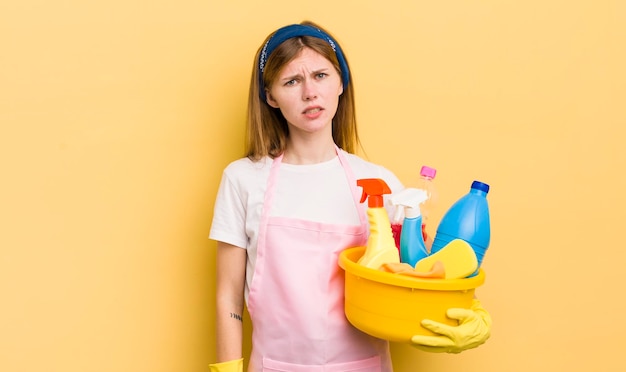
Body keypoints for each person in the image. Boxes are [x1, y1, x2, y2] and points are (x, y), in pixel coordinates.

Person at [209, 21, 491, 372]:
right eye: (291, 81)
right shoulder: (243, 180)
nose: (310, 92)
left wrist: (473, 313)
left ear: (341, 82)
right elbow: (228, 296)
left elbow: (426, 272)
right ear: (270, 96)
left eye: (321, 75)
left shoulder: (380, 182)